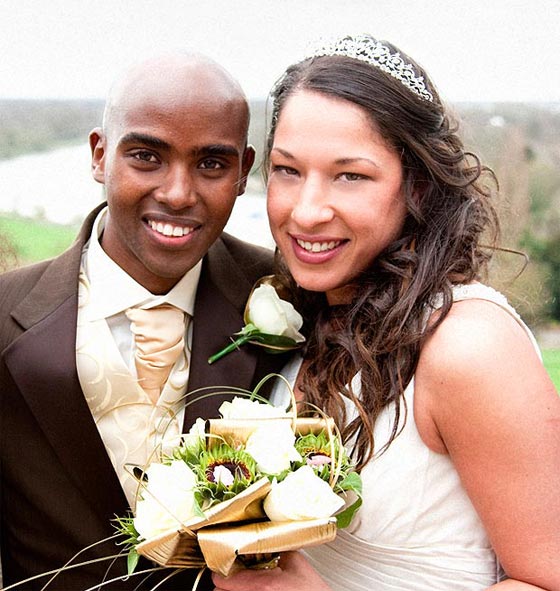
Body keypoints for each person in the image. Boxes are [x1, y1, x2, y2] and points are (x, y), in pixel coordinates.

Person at [211, 34, 560, 591]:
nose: (306, 210)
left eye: (350, 175)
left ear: (417, 185)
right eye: (288, 170)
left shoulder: (469, 348)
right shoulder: (314, 316)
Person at [0, 53, 287, 590]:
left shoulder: (287, 296)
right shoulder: (3, 315)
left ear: (244, 171)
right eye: (146, 157)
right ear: (99, 154)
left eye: (211, 164)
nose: (178, 193)